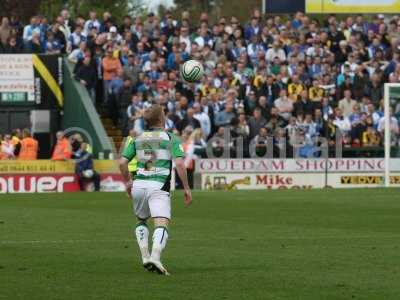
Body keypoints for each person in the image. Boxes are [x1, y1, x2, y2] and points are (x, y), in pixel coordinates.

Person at [119, 104, 192, 276]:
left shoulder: (137, 138)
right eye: (164, 114)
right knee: (161, 222)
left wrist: (128, 182)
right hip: (158, 185)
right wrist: (187, 188)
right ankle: (155, 257)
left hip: (139, 184)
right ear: (161, 119)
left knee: (141, 220)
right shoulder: (170, 138)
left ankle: (145, 256)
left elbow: (122, 162)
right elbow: (180, 164)